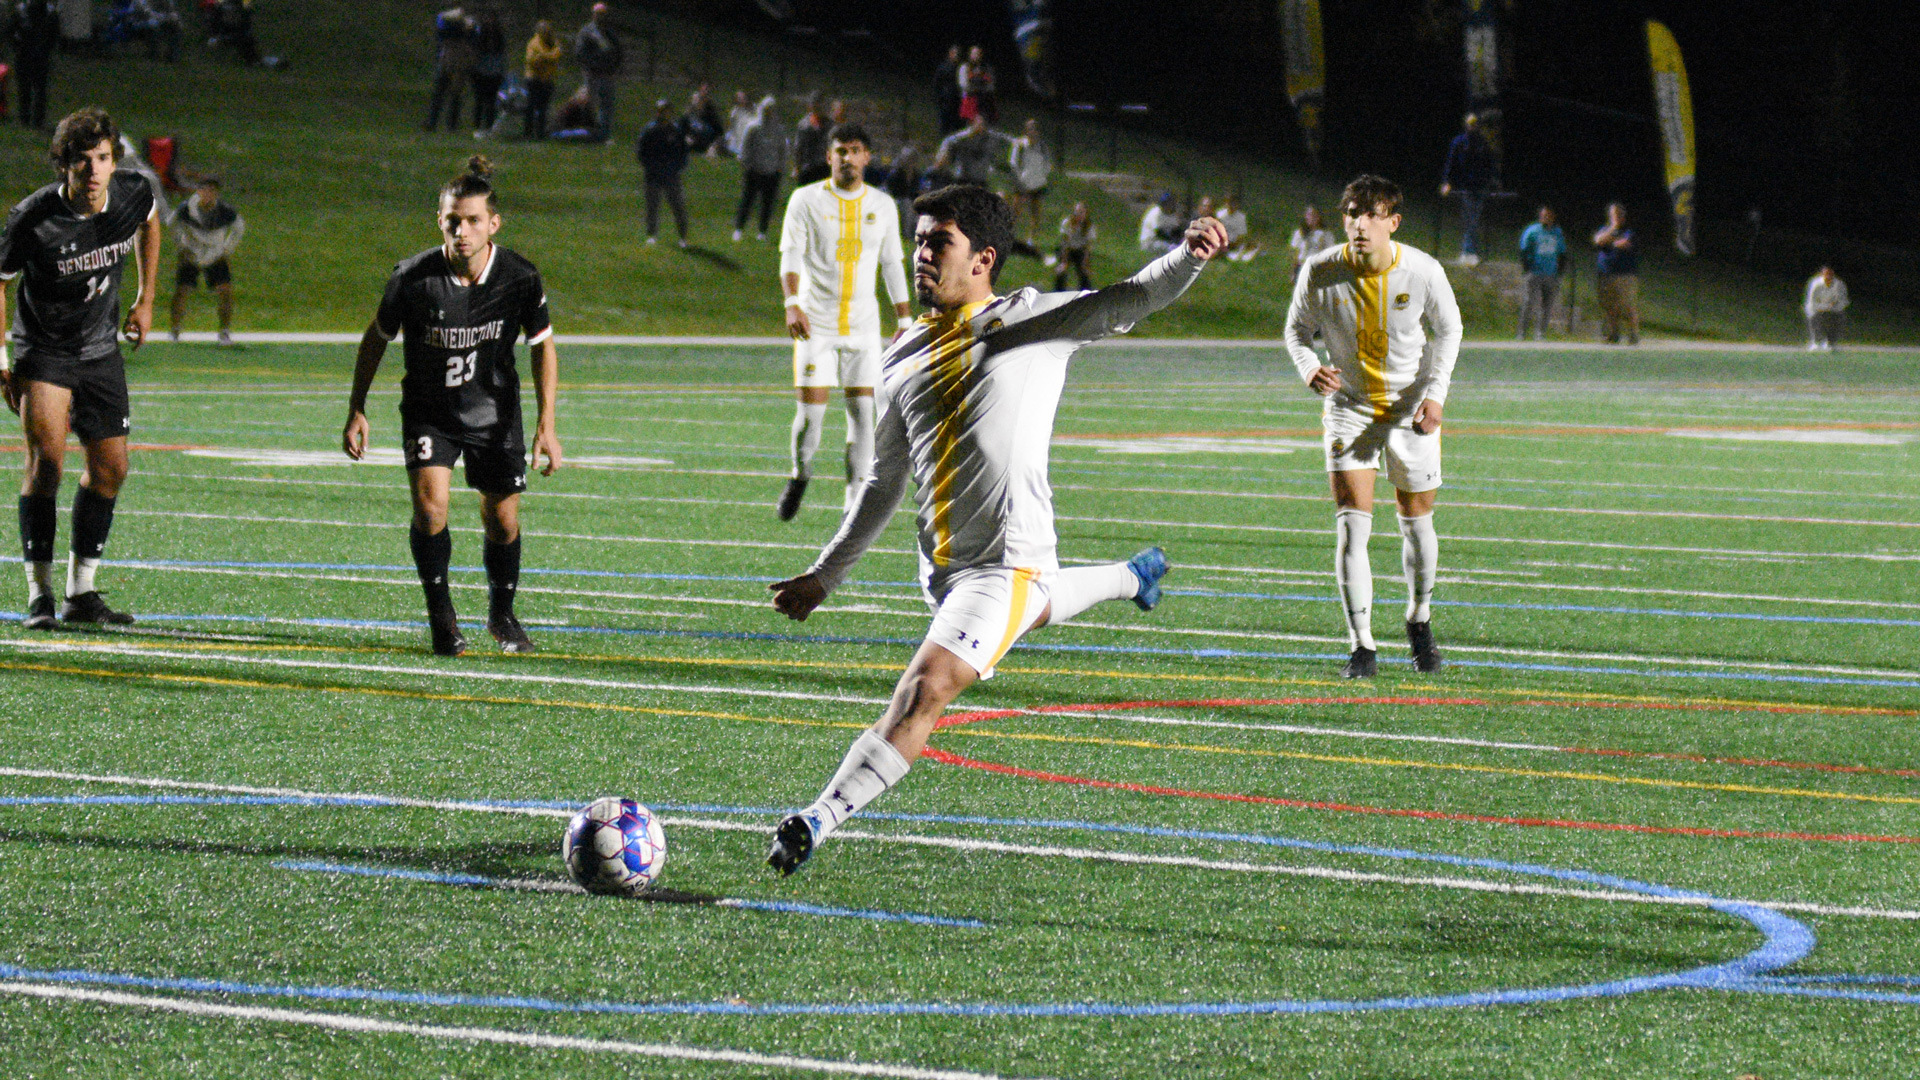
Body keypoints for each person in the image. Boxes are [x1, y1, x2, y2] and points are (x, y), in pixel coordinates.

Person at [763, 187, 1228, 875]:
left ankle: (817, 819)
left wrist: (1187, 257)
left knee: (925, 689)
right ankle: (1133, 575)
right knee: (1033, 606)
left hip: (1002, 564)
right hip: (948, 571)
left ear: (982, 258)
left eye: (937, 242)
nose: (921, 254)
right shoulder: (904, 352)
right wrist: (824, 574)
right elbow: (884, 481)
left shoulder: (1031, 321)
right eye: (919, 240)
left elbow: (1129, 297)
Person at [341, 156, 562, 657]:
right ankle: (442, 617)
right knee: (430, 506)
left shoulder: (520, 276)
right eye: (452, 220)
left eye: (473, 221)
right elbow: (374, 340)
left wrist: (547, 423)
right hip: (429, 412)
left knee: (503, 521)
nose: (462, 231)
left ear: (493, 224)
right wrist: (357, 407)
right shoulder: (413, 278)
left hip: (495, 412)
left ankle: (502, 615)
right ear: (439, 220)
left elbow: (543, 345)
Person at [1281, 174, 1461, 679]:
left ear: (1393, 222)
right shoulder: (1320, 271)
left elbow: (1450, 329)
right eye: (1353, 213)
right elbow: (1296, 331)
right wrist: (1309, 367)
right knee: (1351, 526)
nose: (1361, 223)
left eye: (1372, 214)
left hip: (1409, 409)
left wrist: (1436, 396)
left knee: (1417, 521)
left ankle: (1419, 618)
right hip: (1350, 406)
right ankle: (1362, 646)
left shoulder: (1422, 270)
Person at [1, 107, 163, 630]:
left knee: (111, 470)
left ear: (114, 160)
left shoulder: (133, 192)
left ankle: (81, 592)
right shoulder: (33, 218)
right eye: (81, 161)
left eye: (102, 158)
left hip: (100, 351)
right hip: (43, 350)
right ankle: (40, 594)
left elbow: (151, 221)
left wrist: (145, 298)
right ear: (63, 166)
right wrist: (0, 357)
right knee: (47, 463)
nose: (94, 170)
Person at [773, 123, 912, 522]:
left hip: (863, 327)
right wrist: (792, 303)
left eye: (855, 150)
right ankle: (800, 474)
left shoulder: (882, 205)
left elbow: (891, 263)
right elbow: (790, 255)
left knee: (863, 414)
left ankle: (853, 503)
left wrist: (903, 316)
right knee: (810, 418)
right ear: (829, 156)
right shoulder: (805, 200)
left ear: (867, 157)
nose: (847, 157)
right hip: (816, 324)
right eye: (840, 150)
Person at [166, 177, 243, 345]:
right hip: (192, 253)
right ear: (199, 192)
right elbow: (172, 223)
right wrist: (181, 246)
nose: (208, 194)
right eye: (205, 190)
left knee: (225, 291)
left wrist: (226, 249)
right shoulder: (186, 208)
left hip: (215, 254)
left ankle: (224, 332)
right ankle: (175, 330)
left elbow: (239, 228)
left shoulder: (224, 210)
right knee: (182, 291)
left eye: (212, 191)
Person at [1438, 112, 1495, 266]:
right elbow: (1451, 163)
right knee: (1471, 218)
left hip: (1480, 186)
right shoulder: (1459, 142)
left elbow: (1489, 164)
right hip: (1466, 187)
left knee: (1473, 219)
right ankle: (1469, 252)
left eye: (1475, 124)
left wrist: (1490, 181)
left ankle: (1470, 252)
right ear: (1466, 125)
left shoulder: (1483, 143)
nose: (1472, 127)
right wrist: (1446, 182)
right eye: (1470, 124)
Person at [636, 98, 690, 247]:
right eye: (661, 111)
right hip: (653, 175)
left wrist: (677, 168)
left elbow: (683, 152)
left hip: (671, 175)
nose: (664, 114)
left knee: (677, 206)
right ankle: (652, 234)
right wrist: (651, 167)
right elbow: (641, 152)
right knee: (652, 206)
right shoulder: (650, 130)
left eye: (667, 111)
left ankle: (683, 236)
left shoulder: (675, 130)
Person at [733, 97, 784, 241]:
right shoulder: (753, 127)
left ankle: (762, 231)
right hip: (754, 170)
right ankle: (739, 229)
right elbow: (745, 147)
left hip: (771, 171)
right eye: (767, 109)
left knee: (767, 203)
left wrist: (780, 167)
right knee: (748, 200)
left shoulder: (778, 130)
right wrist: (746, 163)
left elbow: (782, 150)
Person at [572, 1, 622, 143]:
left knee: (607, 106)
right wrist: (589, 67)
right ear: (593, 14)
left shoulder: (610, 33)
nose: (601, 17)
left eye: (603, 14)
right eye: (598, 14)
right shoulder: (587, 32)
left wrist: (614, 68)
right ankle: (587, 133)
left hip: (607, 75)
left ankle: (603, 135)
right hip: (592, 75)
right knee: (589, 104)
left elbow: (618, 52)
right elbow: (580, 53)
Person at [1516, 204, 1566, 340]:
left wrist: (1560, 271)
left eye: (1548, 216)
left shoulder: (1557, 233)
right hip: (1535, 272)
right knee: (1529, 303)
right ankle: (1522, 332)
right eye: (1544, 215)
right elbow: (1524, 250)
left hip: (1551, 273)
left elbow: (1562, 253)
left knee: (1547, 304)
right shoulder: (1532, 231)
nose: (1546, 218)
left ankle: (1540, 333)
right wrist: (1527, 268)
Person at [1592, 202, 1638, 345]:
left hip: (1624, 275)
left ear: (1623, 216)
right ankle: (1613, 334)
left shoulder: (1629, 232)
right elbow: (1598, 240)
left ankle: (1633, 335)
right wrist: (1612, 231)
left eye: (1618, 214)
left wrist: (1610, 240)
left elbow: (1624, 244)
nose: (1616, 217)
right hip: (1605, 274)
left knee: (1627, 305)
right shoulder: (1604, 229)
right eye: (1613, 215)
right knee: (1609, 305)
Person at [424, 6, 475, 133]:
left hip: (456, 62)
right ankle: (439, 123)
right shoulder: (450, 28)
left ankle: (446, 124)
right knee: (442, 93)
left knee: (451, 94)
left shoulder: (463, 29)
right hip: (449, 61)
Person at [1006, 117, 1051, 247]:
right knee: (1016, 210)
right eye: (1029, 129)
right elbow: (1013, 163)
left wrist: (1042, 176)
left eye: (1034, 129)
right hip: (1023, 182)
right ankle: (1009, 235)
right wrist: (1019, 179)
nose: (1032, 131)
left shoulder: (1042, 146)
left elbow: (1047, 164)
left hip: (1037, 182)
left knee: (1035, 211)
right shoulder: (1019, 144)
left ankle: (1031, 238)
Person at [13, 0, 57, 130]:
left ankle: (33, 119)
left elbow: (54, 34)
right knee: (28, 88)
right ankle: (28, 118)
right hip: (27, 54)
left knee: (36, 89)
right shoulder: (22, 11)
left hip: (35, 54)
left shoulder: (48, 12)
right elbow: (11, 31)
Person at [931, 115, 1002, 188]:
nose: (981, 127)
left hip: (981, 178)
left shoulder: (991, 139)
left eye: (983, 124)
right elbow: (948, 142)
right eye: (978, 124)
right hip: (962, 178)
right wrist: (942, 157)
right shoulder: (963, 137)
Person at [469, 6, 507, 135]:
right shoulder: (479, 35)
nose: (490, 21)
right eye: (487, 18)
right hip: (481, 72)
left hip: (494, 73)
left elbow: (501, 54)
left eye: (492, 18)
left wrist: (501, 71)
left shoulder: (499, 36)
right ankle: (477, 125)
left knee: (491, 102)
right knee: (479, 100)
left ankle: (489, 126)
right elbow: (475, 52)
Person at [521, 20, 562, 141]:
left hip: (548, 79)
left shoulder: (553, 42)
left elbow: (557, 54)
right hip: (534, 79)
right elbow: (530, 60)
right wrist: (547, 57)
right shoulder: (533, 43)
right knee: (531, 106)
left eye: (548, 30)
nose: (546, 32)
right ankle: (527, 133)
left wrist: (543, 56)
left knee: (543, 108)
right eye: (543, 30)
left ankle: (540, 133)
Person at [1051, 200, 1095, 290]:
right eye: (1077, 213)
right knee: (1061, 271)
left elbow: (1088, 246)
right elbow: (1064, 243)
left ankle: (1086, 292)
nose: (1079, 216)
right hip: (1067, 249)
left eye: (1082, 213)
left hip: (1080, 250)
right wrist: (1064, 262)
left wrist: (1085, 263)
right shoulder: (1067, 223)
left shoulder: (1089, 226)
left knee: (1084, 273)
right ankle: (1058, 291)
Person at [1804, 265, 1848, 351]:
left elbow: (1843, 301)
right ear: (1822, 274)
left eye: (1830, 274)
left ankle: (1830, 342)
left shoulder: (1839, 284)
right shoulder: (1815, 284)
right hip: (1816, 309)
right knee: (1815, 317)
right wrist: (1823, 307)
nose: (1828, 276)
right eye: (1826, 274)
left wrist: (1832, 308)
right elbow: (1811, 301)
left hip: (1832, 309)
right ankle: (1816, 342)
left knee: (1838, 317)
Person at [792, 97, 831, 186]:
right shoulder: (804, 125)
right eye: (815, 105)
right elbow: (798, 147)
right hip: (807, 167)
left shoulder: (830, 124)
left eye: (821, 105)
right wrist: (796, 167)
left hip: (824, 167)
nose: (819, 108)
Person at [957, 44, 996, 123]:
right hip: (970, 99)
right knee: (970, 123)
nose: (976, 56)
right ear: (970, 55)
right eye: (974, 54)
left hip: (984, 100)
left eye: (977, 54)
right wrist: (975, 87)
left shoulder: (986, 68)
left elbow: (991, 84)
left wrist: (984, 87)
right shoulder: (965, 67)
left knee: (984, 122)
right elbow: (963, 84)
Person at [1288, 205, 1334, 271]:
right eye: (1309, 215)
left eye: (1314, 215)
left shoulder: (1326, 234)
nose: (1312, 218)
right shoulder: (1299, 233)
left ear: (1319, 217)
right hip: (1302, 266)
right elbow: (1296, 252)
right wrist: (1294, 270)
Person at [685, 82, 723, 156]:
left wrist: (714, 145)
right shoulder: (690, 112)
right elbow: (684, 126)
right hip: (693, 139)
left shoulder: (711, 112)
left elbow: (718, 131)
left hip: (705, 139)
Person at [933, 44, 963, 134]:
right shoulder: (943, 67)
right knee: (944, 124)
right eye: (953, 53)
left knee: (957, 125)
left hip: (957, 100)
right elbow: (937, 83)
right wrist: (939, 97)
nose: (955, 55)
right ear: (949, 54)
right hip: (945, 99)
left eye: (957, 54)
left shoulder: (961, 68)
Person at [723, 88, 755, 157]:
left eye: (743, 97)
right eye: (739, 98)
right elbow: (730, 126)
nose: (742, 100)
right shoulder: (734, 112)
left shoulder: (753, 108)